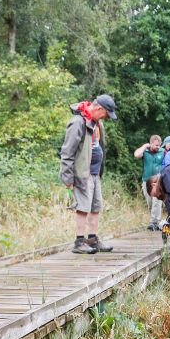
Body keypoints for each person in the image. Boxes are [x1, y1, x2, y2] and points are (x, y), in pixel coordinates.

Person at [59, 94, 117, 254]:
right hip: (82, 173)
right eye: (105, 114)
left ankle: (92, 239)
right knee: (83, 207)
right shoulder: (78, 122)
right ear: (99, 108)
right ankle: (79, 242)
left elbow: (100, 147)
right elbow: (67, 152)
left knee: (96, 206)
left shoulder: (97, 123)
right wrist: (67, 177)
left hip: (95, 172)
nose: (105, 118)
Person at [133, 135, 165, 231]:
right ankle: (156, 221)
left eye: (159, 145)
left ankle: (154, 222)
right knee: (150, 203)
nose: (158, 147)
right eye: (156, 145)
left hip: (158, 181)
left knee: (157, 201)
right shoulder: (145, 152)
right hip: (146, 180)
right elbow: (136, 155)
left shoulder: (163, 152)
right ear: (150, 143)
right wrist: (144, 146)